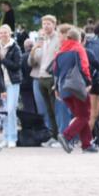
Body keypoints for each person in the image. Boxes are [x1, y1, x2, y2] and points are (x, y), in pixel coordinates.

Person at [53, 25, 95, 153]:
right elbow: (84, 67)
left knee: (80, 115)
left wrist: (57, 89)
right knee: (85, 115)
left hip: (64, 89)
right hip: (76, 87)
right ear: (78, 39)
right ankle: (66, 136)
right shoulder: (78, 49)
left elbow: (55, 72)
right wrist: (88, 82)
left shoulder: (59, 53)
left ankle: (87, 144)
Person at [28, 15, 61, 145]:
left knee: (55, 109)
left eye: (48, 24)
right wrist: (34, 49)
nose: (46, 26)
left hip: (51, 77)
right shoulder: (42, 40)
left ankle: (59, 136)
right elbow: (31, 63)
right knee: (46, 110)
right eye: (44, 24)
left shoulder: (57, 39)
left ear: (54, 24)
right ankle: (51, 136)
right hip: (40, 77)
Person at [0, 24, 22, 148]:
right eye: (1, 33)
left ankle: (13, 137)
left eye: (5, 32)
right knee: (3, 111)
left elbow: (17, 65)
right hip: (1, 84)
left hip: (12, 82)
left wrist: (3, 60)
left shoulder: (15, 47)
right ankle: (6, 137)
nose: (3, 35)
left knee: (11, 109)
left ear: (10, 33)